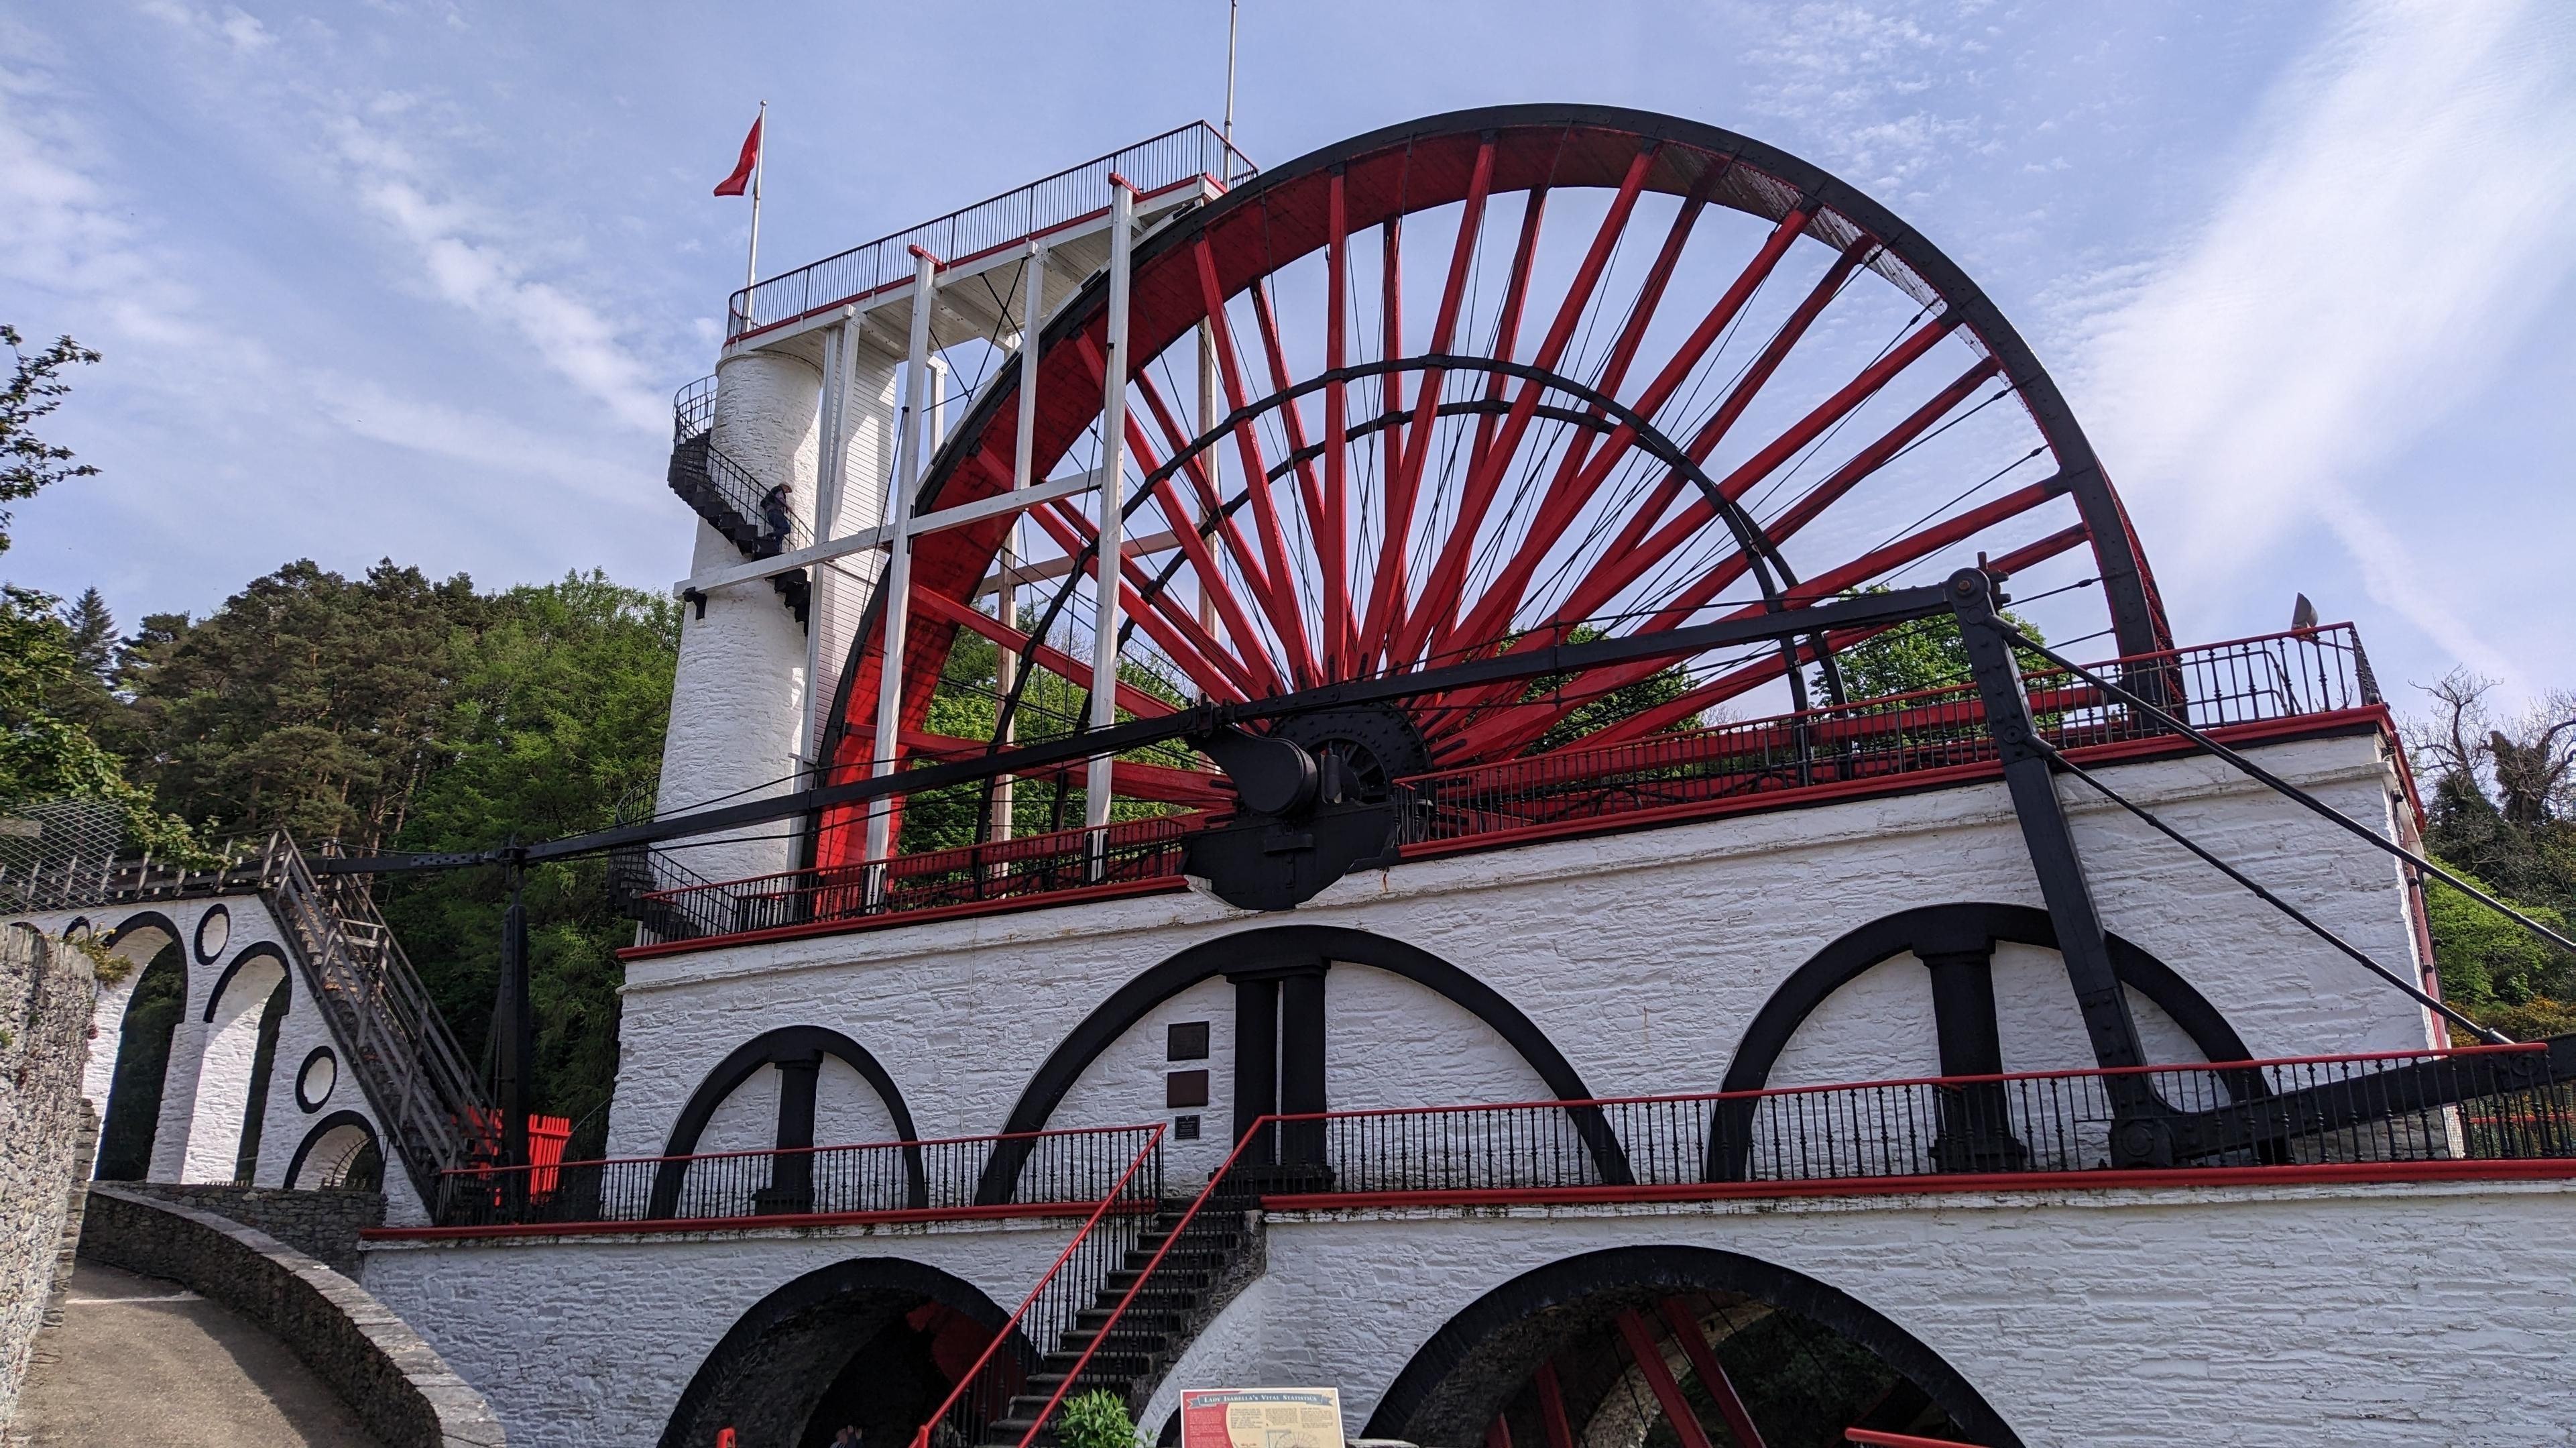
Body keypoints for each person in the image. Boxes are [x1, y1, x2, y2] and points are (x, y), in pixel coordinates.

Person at [760, 482, 793, 551]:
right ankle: (770, 535)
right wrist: (788, 507)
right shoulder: (779, 490)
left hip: (771, 514)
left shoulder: (774, 491)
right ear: (784, 486)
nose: (787, 492)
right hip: (775, 512)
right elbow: (780, 499)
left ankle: (775, 548)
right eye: (788, 489)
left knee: (780, 533)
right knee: (787, 528)